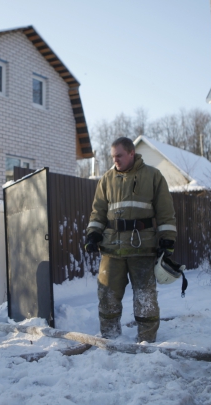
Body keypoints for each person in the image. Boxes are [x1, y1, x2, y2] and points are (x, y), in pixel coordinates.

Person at [84, 137, 177, 343]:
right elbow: (97, 212)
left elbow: (165, 212)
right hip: (111, 249)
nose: (115, 160)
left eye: (119, 155)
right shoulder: (106, 180)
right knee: (107, 295)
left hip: (142, 247)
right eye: (113, 156)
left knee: (145, 297)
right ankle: (110, 338)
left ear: (132, 153)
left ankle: (146, 340)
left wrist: (167, 239)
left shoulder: (153, 176)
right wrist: (93, 234)